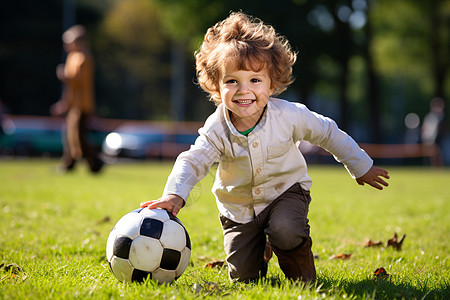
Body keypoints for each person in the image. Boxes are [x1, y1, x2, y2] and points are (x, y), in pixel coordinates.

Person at [140, 12, 390, 283]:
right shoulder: (217, 127)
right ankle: (260, 247)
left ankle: (299, 271)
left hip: (286, 192)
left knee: (286, 229)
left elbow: (328, 133)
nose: (243, 90)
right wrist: (174, 195)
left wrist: (361, 166)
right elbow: (193, 160)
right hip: (239, 211)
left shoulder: (290, 115)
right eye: (231, 81)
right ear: (216, 85)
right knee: (245, 279)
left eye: (255, 80)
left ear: (273, 83)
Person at [51, 25, 103, 173]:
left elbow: (79, 80)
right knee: (71, 136)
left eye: (69, 41)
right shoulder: (72, 57)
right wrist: (64, 102)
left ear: (78, 41)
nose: (66, 45)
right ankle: (70, 164)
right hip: (73, 104)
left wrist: (65, 75)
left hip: (82, 105)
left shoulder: (84, 57)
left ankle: (96, 162)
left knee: (79, 139)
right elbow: (70, 87)